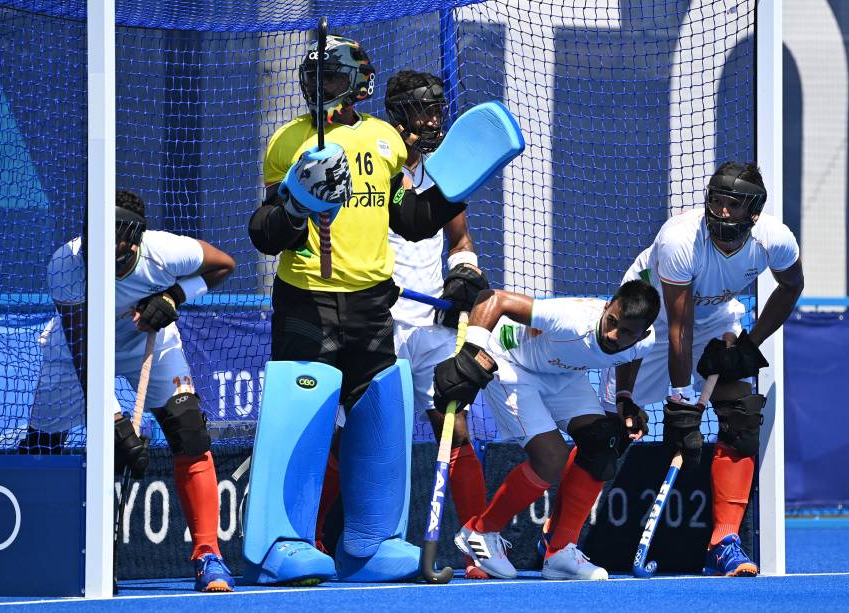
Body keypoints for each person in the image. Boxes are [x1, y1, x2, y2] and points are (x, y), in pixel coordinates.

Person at [246, 35, 467, 584]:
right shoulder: (287, 142)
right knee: (303, 415)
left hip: (371, 306)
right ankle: (281, 543)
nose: (317, 88)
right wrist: (297, 204)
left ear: (359, 83)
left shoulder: (386, 140)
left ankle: (370, 544)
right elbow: (265, 233)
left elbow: (409, 219)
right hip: (306, 302)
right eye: (313, 77)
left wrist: (458, 187)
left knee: (379, 409)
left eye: (332, 78)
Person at [22, 189, 237, 592]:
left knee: (190, 433)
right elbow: (85, 354)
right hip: (76, 354)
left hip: (150, 344)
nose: (98, 242)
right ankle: (32, 548)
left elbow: (224, 264)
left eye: (113, 233)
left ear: (133, 237)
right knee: (41, 447)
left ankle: (209, 555)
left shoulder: (165, 251)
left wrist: (173, 296)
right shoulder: (67, 263)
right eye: (93, 231)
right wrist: (116, 421)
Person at [599, 161, 804, 577]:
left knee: (743, 414)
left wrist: (749, 344)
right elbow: (678, 328)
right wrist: (681, 403)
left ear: (754, 211)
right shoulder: (680, 240)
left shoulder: (774, 240)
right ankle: (561, 534)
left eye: (733, 205)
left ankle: (723, 541)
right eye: (717, 201)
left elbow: (791, 287)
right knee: (612, 429)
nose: (722, 212)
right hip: (648, 322)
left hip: (714, 320)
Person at [432, 280, 661, 580]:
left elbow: (631, 354)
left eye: (628, 333)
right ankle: (480, 532)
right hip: (513, 365)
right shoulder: (570, 319)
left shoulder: (643, 341)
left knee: (606, 440)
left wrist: (624, 396)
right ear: (607, 308)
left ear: (642, 334)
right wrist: (469, 353)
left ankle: (560, 551)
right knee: (550, 457)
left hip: (563, 374)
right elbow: (494, 298)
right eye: (612, 322)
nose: (613, 335)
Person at [384, 69, 491, 580]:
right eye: (424, 111)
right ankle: (324, 541)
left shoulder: (444, 173)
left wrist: (461, 277)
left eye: (437, 111)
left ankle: (477, 542)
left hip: (430, 325)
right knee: (358, 435)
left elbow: (461, 243)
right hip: (377, 321)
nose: (433, 120)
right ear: (399, 114)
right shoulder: (374, 166)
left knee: (457, 430)